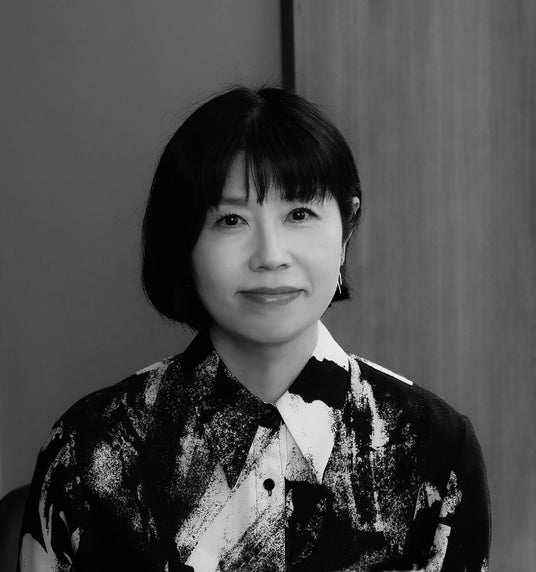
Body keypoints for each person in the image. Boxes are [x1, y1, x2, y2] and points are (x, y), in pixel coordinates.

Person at [17, 86, 491, 572]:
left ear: (346, 228)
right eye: (231, 220)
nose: (270, 255)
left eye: (299, 214)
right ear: (183, 243)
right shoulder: (91, 449)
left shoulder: (433, 446)